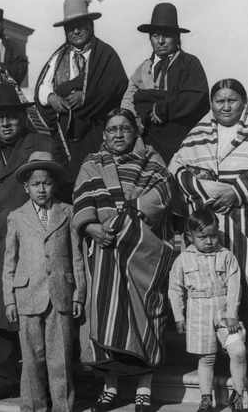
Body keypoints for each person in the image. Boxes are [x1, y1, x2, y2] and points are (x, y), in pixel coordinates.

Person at [169, 78, 248, 378]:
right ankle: (213, 350)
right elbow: (177, 167)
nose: (225, 106)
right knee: (212, 284)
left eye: (232, 100)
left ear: (244, 101)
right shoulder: (200, 131)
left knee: (245, 282)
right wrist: (203, 188)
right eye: (219, 101)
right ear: (212, 104)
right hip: (210, 224)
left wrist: (235, 192)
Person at [0, 83, 69, 402]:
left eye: (11, 117)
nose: (5, 123)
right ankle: (5, 377)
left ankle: (49, 380)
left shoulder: (43, 143)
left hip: (35, 242)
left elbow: (62, 190)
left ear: (22, 117)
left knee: (41, 309)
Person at [73, 109, 173, 412]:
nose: (118, 134)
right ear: (104, 134)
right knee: (106, 315)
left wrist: (126, 225)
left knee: (147, 316)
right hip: (104, 254)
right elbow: (82, 199)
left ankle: (144, 388)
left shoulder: (153, 162)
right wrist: (91, 227)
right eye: (112, 129)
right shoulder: (91, 164)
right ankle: (111, 386)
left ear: (135, 132)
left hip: (141, 251)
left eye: (125, 129)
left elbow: (161, 195)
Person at [3, 150, 85, 412]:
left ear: (56, 184)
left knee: (60, 359)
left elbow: (77, 258)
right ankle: (33, 407)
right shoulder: (16, 217)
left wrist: (78, 294)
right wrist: (9, 300)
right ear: (26, 187)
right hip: (27, 296)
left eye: (46, 183)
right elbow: (9, 263)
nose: (41, 189)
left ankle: (63, 407)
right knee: (32, 360)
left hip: (60, 294)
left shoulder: (68, 213)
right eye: (35, 184)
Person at [35, 0, 128, 178]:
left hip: (97, 129)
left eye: (81, 25)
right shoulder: (59, 56)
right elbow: (42, 86)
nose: (76, 31)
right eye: (70, 27)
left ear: (91, 25)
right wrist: (52, 98)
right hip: (66, 135)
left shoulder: (105, 54)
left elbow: (116, 84)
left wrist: (86, 95)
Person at [168, 208, 246, 412]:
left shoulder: (226, 256)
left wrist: (231, 314)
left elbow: (235, 287)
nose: (209, 241)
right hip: (198, 312)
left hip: (224, 314)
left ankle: (237, 395)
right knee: (206, 358)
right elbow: (175, 288)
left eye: (213, 235)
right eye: (202, 237)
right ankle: (206, 398)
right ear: (189, 236)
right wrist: (179, 315)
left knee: (238, 351)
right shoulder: (183, 259)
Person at [120, 2, 209, 164]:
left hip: (180, 139)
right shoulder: (143, 68)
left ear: (176, 37)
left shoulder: (189, 63)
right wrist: (134, 119)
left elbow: (196, 96)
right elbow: (128, 98)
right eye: (155, 36)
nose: (160, 41)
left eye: (166, 35)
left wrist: (163, 109)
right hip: (148, 139)